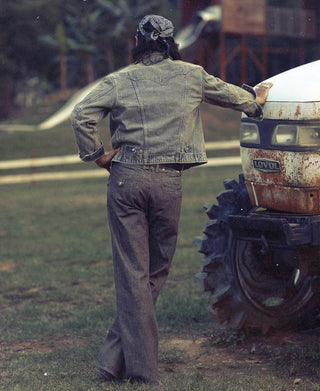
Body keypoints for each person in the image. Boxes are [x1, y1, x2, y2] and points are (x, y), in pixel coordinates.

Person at [71, 14, 272, 384]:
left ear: (137, 41)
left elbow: (81, 114)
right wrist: (256, 99)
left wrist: (97, 155)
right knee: (156, 271)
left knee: (133, 274)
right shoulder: (192, 75)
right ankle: (142, 372)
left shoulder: (119, 80)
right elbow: (236, 98)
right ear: (170, 43)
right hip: (168, 183)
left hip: (125, 180)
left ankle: (113, 361)